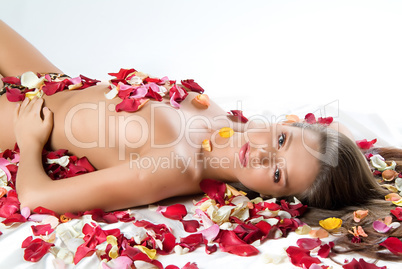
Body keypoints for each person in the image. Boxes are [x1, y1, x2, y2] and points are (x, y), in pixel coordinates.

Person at [0, 20, 397, 219]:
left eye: (277, 175)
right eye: (280, 142)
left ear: (278, 199)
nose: (261, 155)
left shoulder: (173, 167)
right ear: (288, 124)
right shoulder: (228, 119)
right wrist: (368, 164)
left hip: (15, 120)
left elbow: (36, 199)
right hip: (49, 81)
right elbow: (336, 134)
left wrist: (30, 140)